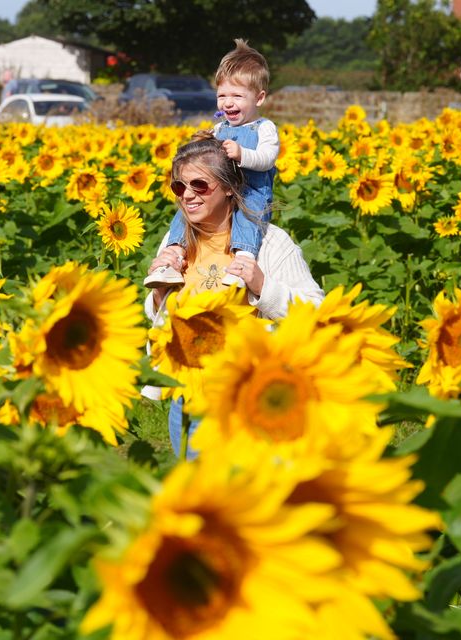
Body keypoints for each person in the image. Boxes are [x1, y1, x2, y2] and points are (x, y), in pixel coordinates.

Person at [144, 132, 324, 457]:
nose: (187, 195)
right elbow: (161, 317)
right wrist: (158, 295)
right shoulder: (177, 242)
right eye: (179, 187)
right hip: (187, 395)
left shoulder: (270, 244)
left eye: (199, 185)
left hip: (247, 398)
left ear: (229, 187)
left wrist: (263, 286)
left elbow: (317, 311)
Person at [144, 39, 279, 289]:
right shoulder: (221, 128)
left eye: (237, 96)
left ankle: (242, 263)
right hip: (218, 194)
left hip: (251, 191)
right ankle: (173, 257)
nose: (228, 103)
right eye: (222, 96)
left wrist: (241, 154)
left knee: (248, 221)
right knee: (186, 210)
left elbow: (267, 159)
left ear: (259, 98)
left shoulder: (264, 128)